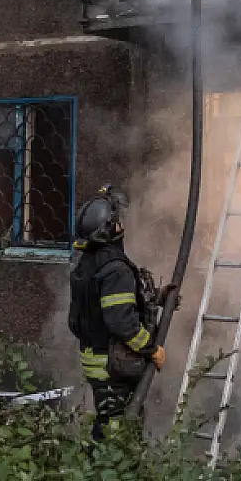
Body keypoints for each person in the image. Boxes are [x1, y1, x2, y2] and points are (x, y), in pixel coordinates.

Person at [67, 184, 164, 440]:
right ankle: (104, 478)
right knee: (116, 431)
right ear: (108, 230)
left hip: (95, 359)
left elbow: (110, 304)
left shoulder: (86, 263)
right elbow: (120, 320)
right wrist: (151, 349)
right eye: (116, 223)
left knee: (109, 420)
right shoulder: (115, 269)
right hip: (112, 364)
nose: (121, 226)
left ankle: (102, 475)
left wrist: (155, 298)